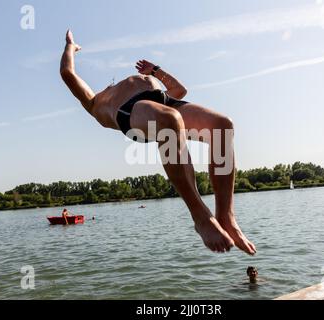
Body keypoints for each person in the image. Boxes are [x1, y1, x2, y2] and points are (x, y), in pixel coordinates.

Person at [60, 30, 256, 255]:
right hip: (131, 112)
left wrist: (155, 71)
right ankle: (200, 216)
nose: (110, 84)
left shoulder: (148, 86)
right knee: (169, 120)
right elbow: (67, 72)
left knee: (222, 125)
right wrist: (70, 47)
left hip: (162, 99)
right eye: (108, 85)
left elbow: (180, 91)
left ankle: (226, 216)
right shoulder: (94, 102)